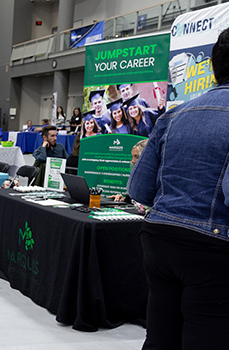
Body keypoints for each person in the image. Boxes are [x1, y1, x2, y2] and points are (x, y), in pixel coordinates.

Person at [127, 27, 229, 349]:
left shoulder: (174, 115)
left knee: (160, 337)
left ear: (213, 67)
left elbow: (139, 189)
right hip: (211, 247)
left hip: (159, 239)